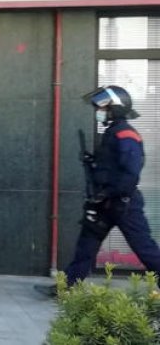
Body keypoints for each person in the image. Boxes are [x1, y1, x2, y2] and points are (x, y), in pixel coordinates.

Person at [36, 85, 160, 298]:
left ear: (115, 109)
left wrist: (111, 193)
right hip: (103, 203)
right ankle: (66, 287)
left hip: (123, 204)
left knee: (144, 248)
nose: (99, 111)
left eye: (103, 107)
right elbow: (110, 167)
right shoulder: (112, 132)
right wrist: (93, 163)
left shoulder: (126, 133)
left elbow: (131, 172)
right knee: (85, 247)